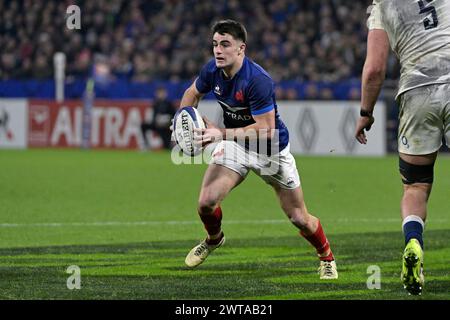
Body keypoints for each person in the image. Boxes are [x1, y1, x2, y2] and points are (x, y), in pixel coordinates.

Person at [173, 19, 338, 279]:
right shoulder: (212, 71)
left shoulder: (257, 80)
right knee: (206, 202)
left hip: (270, 149)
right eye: (215, 44)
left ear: (241, 49)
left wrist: (220, 133)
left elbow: (265, 129)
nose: (218, 50)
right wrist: (183, 122)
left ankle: (326, 257)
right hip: (236, 145)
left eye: (225, 44)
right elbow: (191, 94)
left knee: (298, 217)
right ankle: (214, 239)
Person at [355, 0, 450, 295]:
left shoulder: (382, 7)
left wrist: (365, 113)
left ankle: (413, 243)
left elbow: (374, 70)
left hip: (416, 92)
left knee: (416, 186)